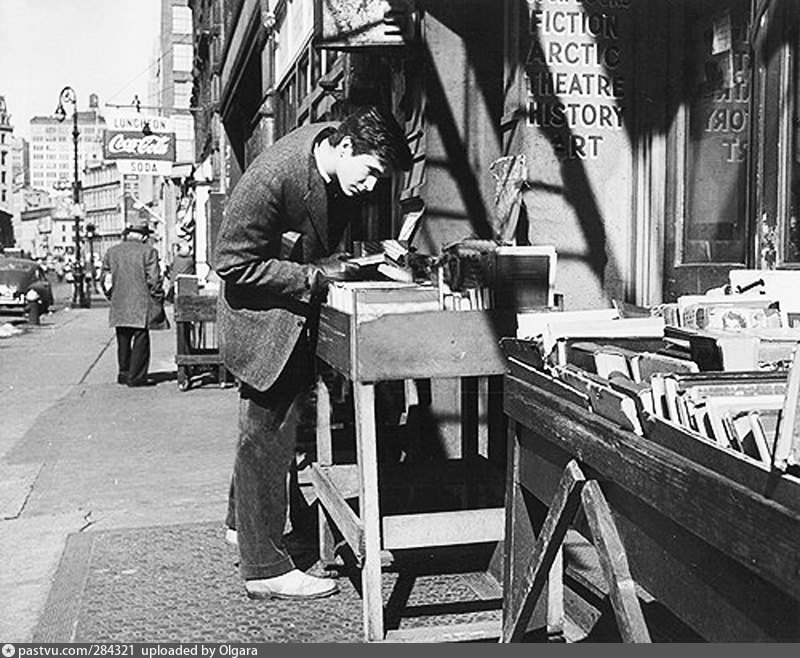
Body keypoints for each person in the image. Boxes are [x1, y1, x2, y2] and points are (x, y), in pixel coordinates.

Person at [214, 105, 412, 601]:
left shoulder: (329, 157)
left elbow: (313, 235)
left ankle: (243, 526)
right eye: (370, 172)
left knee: (263, 431)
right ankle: (264, 568)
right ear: (344, 147)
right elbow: (232, 263)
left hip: (288, 314)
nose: (371, 186)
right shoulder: (274, 176)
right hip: (262, 321)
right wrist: (312, 276)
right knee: (266, 434)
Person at [101, 217, 168, 387]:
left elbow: (105, 278)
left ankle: (123, 373)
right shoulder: (149, 252)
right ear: (144, 237)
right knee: (140, 339)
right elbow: (154, 279)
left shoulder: (112, 252)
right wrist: (158, 296)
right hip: (141, 303)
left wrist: (111, 296)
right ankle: (136, 377)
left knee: (122, 339)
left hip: (119, 303)